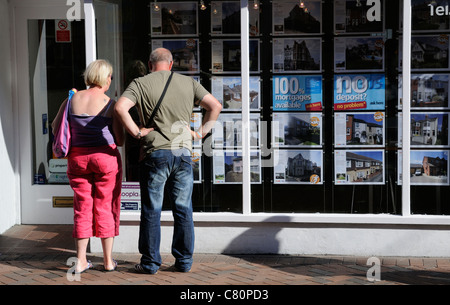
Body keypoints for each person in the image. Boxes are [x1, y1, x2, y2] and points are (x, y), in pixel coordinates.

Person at [115, 48, 222, 274]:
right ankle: (183, 262)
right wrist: (200, 133)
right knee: (183, 209)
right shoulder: (188, 83)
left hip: (155, 153)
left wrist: (136, 132)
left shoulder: (140, 84)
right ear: (171, 64)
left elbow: (120, 107)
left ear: (150, 63)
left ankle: (150, 263)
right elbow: (216, 106)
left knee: (152, 210)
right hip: (182, 153)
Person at [52, 59, 124, 273]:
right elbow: (119, 140)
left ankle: (81, 260)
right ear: (106, 78)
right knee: (105, 206)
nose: (111, 80)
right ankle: (108, 261)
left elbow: (57, 126)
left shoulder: (71, 100)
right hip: (104, 160)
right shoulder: (109, 104)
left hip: (77, 160)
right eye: (110, 76)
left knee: (82, 207)